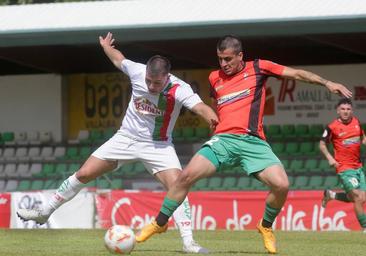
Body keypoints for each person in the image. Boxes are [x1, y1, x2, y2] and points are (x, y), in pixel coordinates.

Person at [135, 35, 353, 254]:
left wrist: (327, 83)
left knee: (282, 185)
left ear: (240, 55)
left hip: (253, 142)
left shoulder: (259, 67)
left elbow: (295, 73)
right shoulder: (214, 77)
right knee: (185, 177)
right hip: (224, 140)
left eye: (228, 59)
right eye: (220, 59)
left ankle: (265, 226)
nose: (224, 64)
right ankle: (160, 223)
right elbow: (216, 104)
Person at [17, 32, 219, 254]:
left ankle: (188, 242)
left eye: (157, 82)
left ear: (167, 77)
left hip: (158, 145)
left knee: (177, 186)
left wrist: (213, 120)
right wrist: (106, 46)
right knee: (84, 173)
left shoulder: (179, 89)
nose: (151, 86)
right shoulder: (137, 71)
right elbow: (117, 58)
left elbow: (201, 108)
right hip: (125, 138)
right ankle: (45, 211)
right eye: (149, 81)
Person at [320, 98, 366, 231]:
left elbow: (362, 138)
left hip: (358, 167)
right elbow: (322, 144)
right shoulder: (332, 127)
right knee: (357, 197)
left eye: (348, 109)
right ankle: (365, 228)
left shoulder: (356, 122)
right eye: (343, 109)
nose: (346, 112)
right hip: (344, 168)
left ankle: (331, 195)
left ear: (352, 111)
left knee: (360, 198)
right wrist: (330, 158)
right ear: (338, 111)